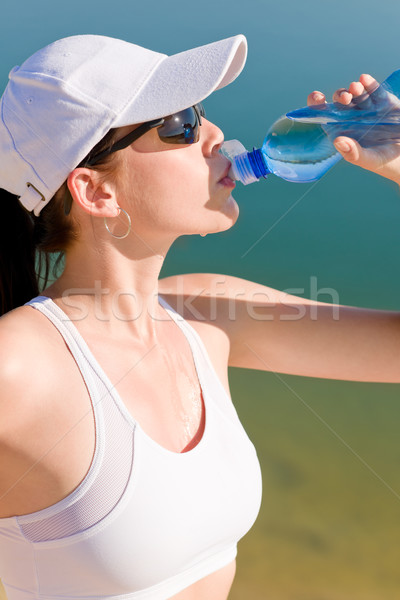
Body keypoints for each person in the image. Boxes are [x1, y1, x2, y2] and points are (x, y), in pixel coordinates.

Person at [0, 33, 399, 600]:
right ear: (95, 191)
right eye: (180, 124)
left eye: (201, 115)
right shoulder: (19, 366)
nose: (215, 135)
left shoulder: (211, 314)